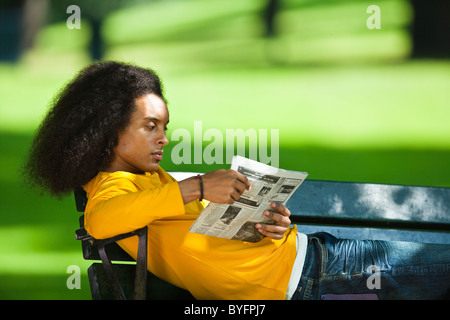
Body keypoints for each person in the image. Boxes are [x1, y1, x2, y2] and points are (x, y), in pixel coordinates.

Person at [24, 61, 450, 300]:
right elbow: (101, 220)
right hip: (317, 277)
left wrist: (273, 223)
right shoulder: (115, 189)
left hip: (317, 261)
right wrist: (196, 187)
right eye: (150, 126)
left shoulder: (151, 179)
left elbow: (208, 230)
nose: (164, 139)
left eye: (165, 126)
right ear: (108, 131)